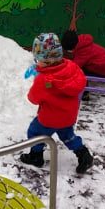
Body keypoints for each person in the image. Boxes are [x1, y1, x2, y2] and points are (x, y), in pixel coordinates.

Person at [19, 32, 94, 175]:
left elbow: (33, 98)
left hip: (49, 118)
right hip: (68, 116)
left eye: (38, 59)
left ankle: (36, 157)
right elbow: (81, 82)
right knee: (67, 136)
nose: (36, 62)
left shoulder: (44, 79)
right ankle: (84, 155)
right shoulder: (72, 67)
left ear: (45, 60)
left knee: (34, 132)